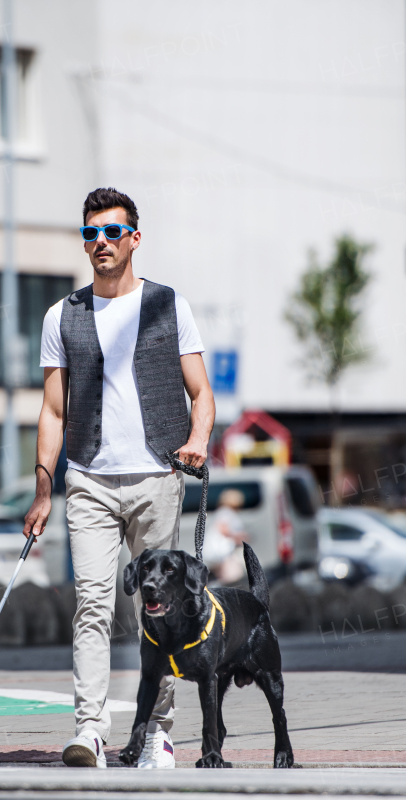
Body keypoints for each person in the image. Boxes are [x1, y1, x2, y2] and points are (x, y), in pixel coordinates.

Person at [24, 187, 214, 769]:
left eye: (111, 232)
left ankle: (157, 730)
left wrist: (198, 441)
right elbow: (54, 411)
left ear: (134, 237)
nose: (100, 243)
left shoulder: (168, 305)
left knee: (158, 610)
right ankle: (90, 729)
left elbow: (201, 393)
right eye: (90, 234)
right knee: (92, 605)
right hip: (89, 480)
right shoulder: (64, 315)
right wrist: (42, 488)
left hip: (159, 475)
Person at [203, 489, 248, 584]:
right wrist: (239, 537)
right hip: (222, 552)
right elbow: (223, 529)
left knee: (223, 577)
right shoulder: (226, 512)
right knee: (234, 577)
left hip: (222, 553)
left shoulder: (225, 511)